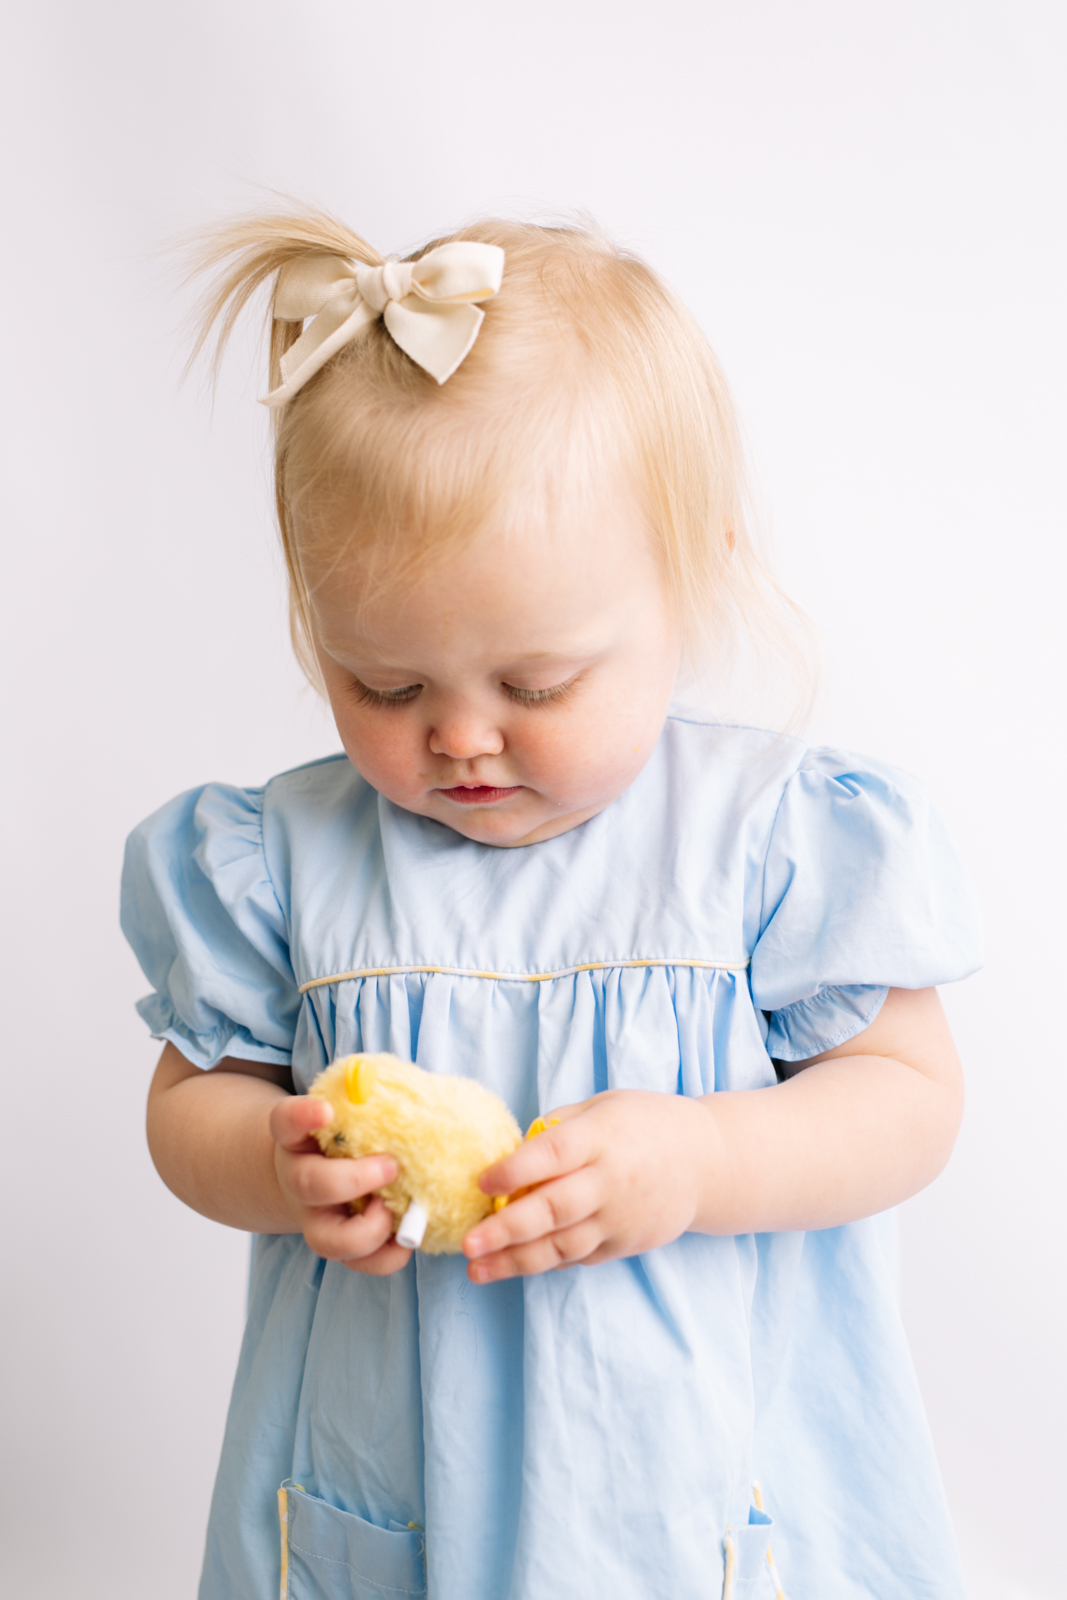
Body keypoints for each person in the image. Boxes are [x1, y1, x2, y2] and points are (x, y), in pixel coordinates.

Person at [121, 210, 981, 1600]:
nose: (462, 740)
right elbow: (184, 1112)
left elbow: (910, 1099)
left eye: (536, 686)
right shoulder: (284, 858)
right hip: (397, 1486)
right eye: (385, 688)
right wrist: (271, 1164)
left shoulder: (761, 839)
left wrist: (702, 1161)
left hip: (697, 1488)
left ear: (686, 579)